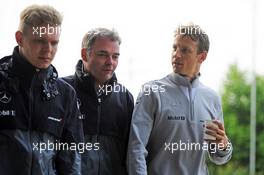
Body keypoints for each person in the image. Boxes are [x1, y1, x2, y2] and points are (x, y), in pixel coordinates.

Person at [127, 23, 233, 175]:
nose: (176, 54)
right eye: (174, 47)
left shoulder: (212, 98)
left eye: (185, 50)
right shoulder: (152, 92)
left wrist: (223, 145)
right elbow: (136, 149)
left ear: (201, 56)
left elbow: (217, 157)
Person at [0, 5, 83, 174]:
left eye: (54, 42)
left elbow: (71, 160)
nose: (48, 49)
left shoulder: (66, 94)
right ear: (20, 38)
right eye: (40, 40)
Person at [62, 28, 134, 175]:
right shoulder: (62, 90)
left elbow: (131, 152)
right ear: (84, 54)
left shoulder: (125, 98)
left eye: (115, 56)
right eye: (103, 54)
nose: (110, 62)